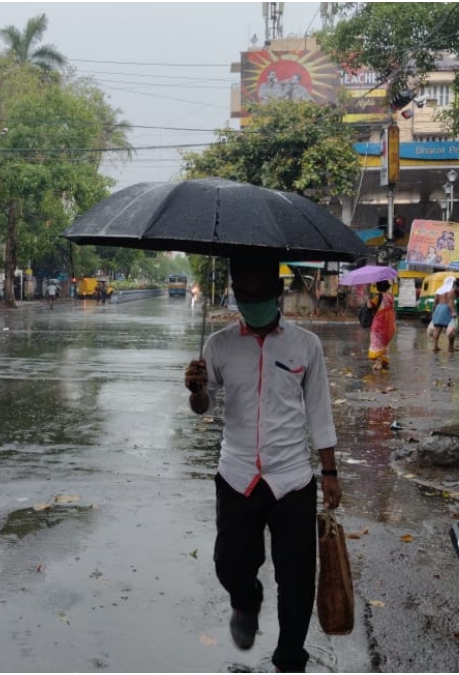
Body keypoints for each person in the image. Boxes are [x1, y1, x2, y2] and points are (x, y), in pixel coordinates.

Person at [183, 257, 341, 673]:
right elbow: (202, 407)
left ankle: (290, 658)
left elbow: (320, 410)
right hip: (237, 476)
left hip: (292, 479)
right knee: (229, 564)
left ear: (277, 294)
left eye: (258, 294)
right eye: (243, 295)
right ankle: (245, 600)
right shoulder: (217, 346)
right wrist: (196, 389)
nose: (250, 302)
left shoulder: (306, 346)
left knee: (296, 580)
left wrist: (330, 472)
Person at [368, 280, 397, 371]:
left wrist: (367, 298)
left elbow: (370, 306)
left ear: (378, 287)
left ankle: (378, 363)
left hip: (379, 324)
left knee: (377, 343)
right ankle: (384, 361)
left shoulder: (378, 297)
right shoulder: (391, 296)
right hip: (390, 324)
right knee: (385, 343)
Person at [428, 275, 457, 352]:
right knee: (451, 329)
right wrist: (453, 312)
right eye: (454, 282)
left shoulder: (439, 290)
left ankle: (435, 346)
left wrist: (433, 313)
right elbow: (450, 303)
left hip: (438, 308)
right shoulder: (451, 290)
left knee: (438, 328)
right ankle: (451, 347)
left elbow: (435, 303)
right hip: (446, 309)